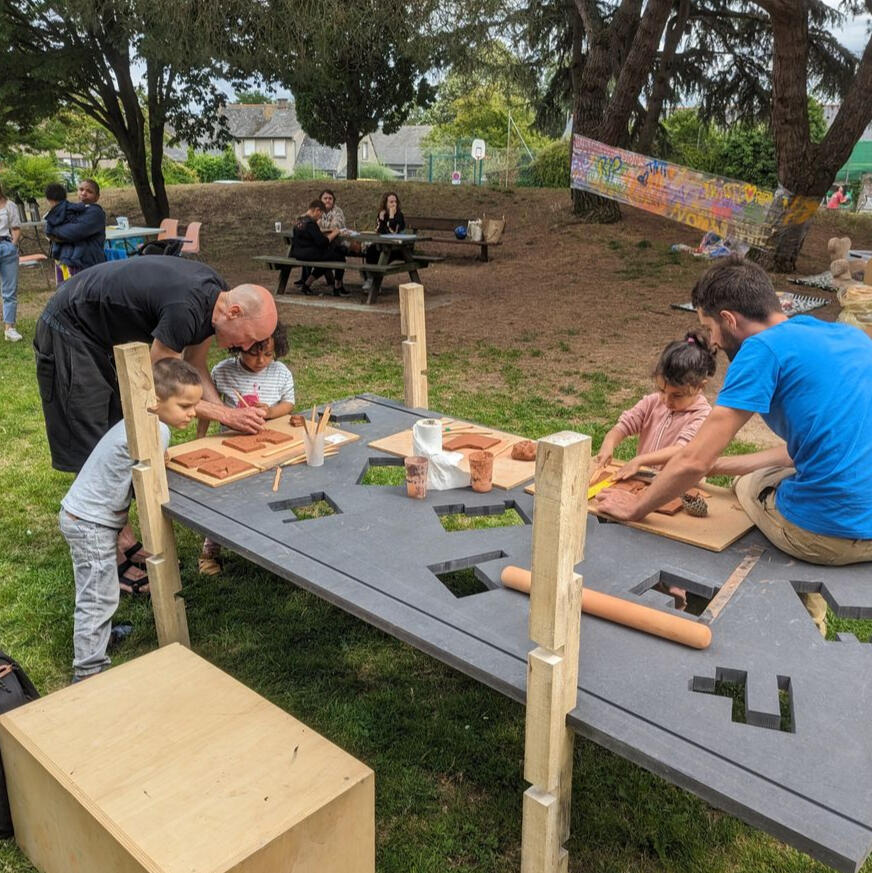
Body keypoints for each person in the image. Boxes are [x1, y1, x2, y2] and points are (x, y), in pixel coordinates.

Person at [595, 255, 872, 634]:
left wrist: (637, 507)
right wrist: (714, 465)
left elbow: (694, 460)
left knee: (743, 489)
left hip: (825, 537)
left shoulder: (762, 350)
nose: (711, 340)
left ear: (729, 319)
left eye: (709, 327)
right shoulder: (848, 336)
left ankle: (793, 612)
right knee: (769, 475)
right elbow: (803, 451)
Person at [34, 256, 277, 590]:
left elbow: (195, 365)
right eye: (249, 338)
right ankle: (112, 550)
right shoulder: (185, 308)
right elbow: (157, 386)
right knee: (95, 437)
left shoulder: (215, 300)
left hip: (100, 334)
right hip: (69, 327)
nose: (246, 347)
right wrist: (223, 414)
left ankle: (122, 534)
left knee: (120, 424)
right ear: (234, 313)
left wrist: (228, 414)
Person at [60, 358, 203, 679]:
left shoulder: (140, 421)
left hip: (82, 515)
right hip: (90, 522)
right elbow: (150, 484)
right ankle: (88, 671)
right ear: (155, 401)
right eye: (185, 405)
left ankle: (99, 640)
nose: (193, 413)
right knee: (98, 597)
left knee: (100, 587)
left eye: (195, 404)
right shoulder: (157, 429)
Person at [593, 330, 716, 608]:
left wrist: (640, 460)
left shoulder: (703, 415)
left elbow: (684, 450)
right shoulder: (653, 402)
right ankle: (627, 578)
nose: (667, 400)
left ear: (701, 387)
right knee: (632, 532)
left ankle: (676, 593)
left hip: (680, 488)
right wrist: (609, 443)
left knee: (670, 539)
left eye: (676, 395)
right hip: (646, 483)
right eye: (662, 390)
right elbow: (625, 424)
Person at [198, 321, 295, 575]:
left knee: (265, 495)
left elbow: (289, 404)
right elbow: (208, 408)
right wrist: (200, 438)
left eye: (268, 354)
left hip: (268, 448)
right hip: (229, 448)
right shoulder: (222, 372)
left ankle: (265, 544)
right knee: (224, 498)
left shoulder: (281, 373)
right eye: (253, 353)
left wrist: (271, 411)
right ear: (238, 347)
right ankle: (211, 547)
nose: (261, 360)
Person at [43, 178, 106, 282]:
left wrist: (53, 232)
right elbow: (50, 225)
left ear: (97, 197)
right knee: (64, 295)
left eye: (89, 191)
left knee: (83, 296)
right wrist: (53, 232)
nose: (84, 193)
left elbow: (74, 232)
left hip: (87, 265)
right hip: (65, 263)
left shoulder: (96, 213)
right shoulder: (72, 210)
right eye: (81, 189)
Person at [291, 200, 349, 297]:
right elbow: (323, 242)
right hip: (310, 254)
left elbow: (312, 235)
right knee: (340, 256)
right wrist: (335, 233)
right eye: (320, 215)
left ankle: (306, 285)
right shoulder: (311, 223)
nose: (320, 218)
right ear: (317, 210)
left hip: (298, 253)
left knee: (326, 260)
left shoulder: (299, 221)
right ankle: (337, 287)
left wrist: (327, 231)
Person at [362, 191, 405, 293]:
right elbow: (379, 231)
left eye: (395, 201)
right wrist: (381, 220)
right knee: (371, 251)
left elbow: (394, 232)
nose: (393, 204)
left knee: (383, 255)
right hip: (382, 245)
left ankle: (374, 283)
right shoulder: (381, 214)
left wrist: (391, 217)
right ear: (385, 203)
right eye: (391, 202)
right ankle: (370, 280)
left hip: (397, 247)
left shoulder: (399, 216)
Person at [0, 183, 22, 342]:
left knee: (9, 290)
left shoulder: (9, 205)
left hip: (6, 246)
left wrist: (12, 245)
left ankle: (9, 328)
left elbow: (15, 227)